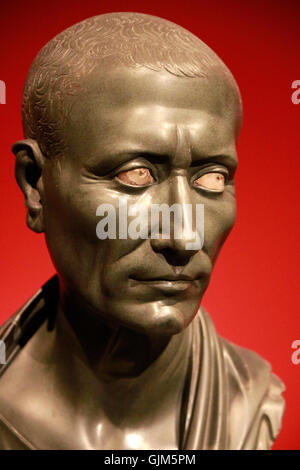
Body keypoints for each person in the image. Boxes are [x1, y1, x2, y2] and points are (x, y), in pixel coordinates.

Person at [0, 12, 284, 450]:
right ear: (36, 185)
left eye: (212, 179)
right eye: (136, 175)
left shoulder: (249, 398)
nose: (183, 237)